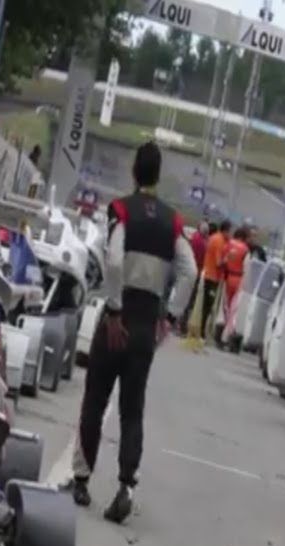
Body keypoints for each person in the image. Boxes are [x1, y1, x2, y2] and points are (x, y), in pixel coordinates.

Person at [62, 142, 197, 524]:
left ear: (135, 171)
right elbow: (190, 272)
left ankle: (82, 480)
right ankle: (126, 486)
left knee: (95, 398)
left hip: (118, 318)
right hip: (148, 320)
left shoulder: (121, 210)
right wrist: (168, 317)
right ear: (158, 173)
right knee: (132, 408)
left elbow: (114, 258)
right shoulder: (173, 222)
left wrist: (115, 307)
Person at [201, 220, 230, 338]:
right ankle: (202, 329)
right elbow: (218, 262)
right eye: (229, 231)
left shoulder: (215, 237)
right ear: (225, 230)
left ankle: (202, 328)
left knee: (205, 304)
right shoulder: (219, 241)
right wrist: (228, 259)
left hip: (208, 273)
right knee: (208, 305)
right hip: (212, 276)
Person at [179, 220, 209, 333]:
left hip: (189, 269)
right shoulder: (200, 242)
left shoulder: (195, 237)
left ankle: (180, 323)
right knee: (189, 299)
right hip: (195, 270)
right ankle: (182, 325)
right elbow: (202, 258)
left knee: (185, 296)